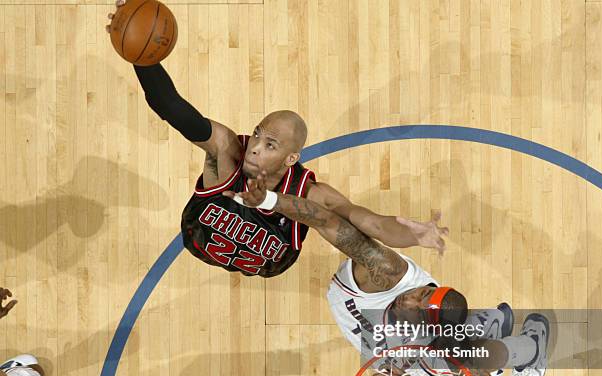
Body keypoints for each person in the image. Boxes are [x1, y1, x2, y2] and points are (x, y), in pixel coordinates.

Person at [105, 2, 447, 276]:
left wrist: (414, 236)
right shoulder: (227, 151)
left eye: (271, 144)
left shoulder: (312, 194)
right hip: (199, 239)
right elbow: (171, 107)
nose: (254, 146)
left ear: (290, 159)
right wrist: (142, 58)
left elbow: (371, 222)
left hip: (268, 262)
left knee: (361, 244)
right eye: (257, 134)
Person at [227, 173, 551, 376]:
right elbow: (326, 219)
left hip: (437, 355)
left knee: (469, 360)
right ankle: (512, 336)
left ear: (431, 327)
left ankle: (528, 346)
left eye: (419, 308)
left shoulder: (447, 342)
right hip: (379, 315)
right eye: (422, 293)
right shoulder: (387, 274)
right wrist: (268, 201)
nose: (409, 300)